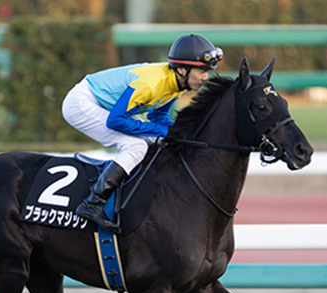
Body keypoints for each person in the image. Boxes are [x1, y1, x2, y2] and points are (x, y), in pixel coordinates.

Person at [62, 34, 223, 233]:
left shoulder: (178, 84)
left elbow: (158, 118)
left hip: (107, 107)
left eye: (207, 71)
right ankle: (93, 202)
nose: (206, 77)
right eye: (202, 71)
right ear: (182, 69)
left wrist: (183, 133)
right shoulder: (151, 84)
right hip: (81, 104)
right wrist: (164, 130)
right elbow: (116, 121)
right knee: (136, 145)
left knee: (158, 139)